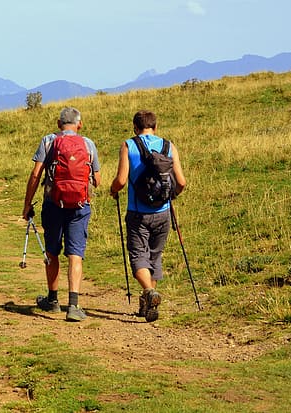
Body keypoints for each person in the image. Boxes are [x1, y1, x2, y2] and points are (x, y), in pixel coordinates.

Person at [22, 107, 102, 322]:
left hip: (53, 204)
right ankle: (73, 306)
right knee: (75, 254)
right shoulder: (88, 144)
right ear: (79, 124)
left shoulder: (48, 141)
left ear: (59, 124)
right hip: (80, 205)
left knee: (52, 251)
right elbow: (97, 179)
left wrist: (27, 204)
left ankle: (53, 299)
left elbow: (35, 174)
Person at [109, 110, 187, 322]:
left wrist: (113, 190)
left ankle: (149, 292)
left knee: (138, 256)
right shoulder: (169, 146)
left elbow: (121, 180)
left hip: (137, 213)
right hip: (163, 212)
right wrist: (171, 196)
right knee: (154, 256)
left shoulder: (128, 145)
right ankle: (147, 305)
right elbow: (181, 182)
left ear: (135, 127)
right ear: (155, 127)